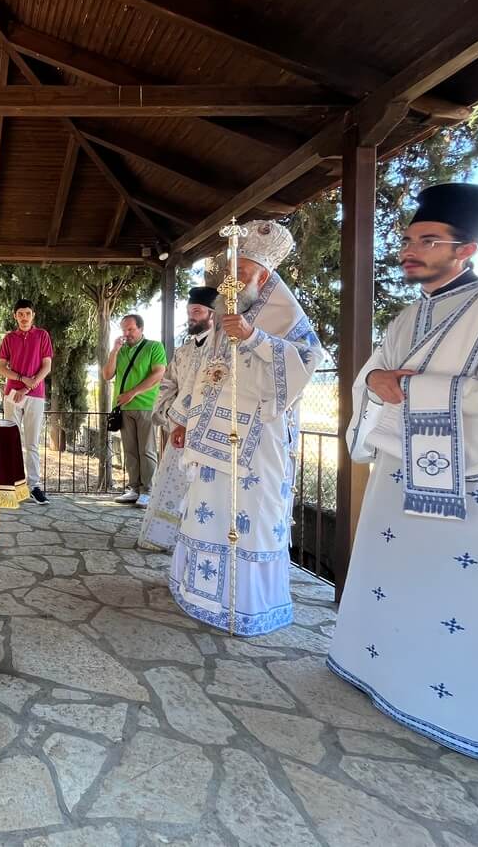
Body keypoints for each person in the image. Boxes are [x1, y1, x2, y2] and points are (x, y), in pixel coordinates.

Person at [329, 182, 478, 762]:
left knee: (469, 600)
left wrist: (409, 389)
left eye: (427, 241)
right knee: (403, 580)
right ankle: (386, 675)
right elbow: (374, 375)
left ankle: (471, 713)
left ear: (465, 250)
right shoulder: (407, 316)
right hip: (401, 479)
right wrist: (374, 382)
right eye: (408, 240)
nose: (409, 251)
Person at [168, 221, 324, 635]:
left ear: (263, 276)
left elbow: (309, 360)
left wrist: (255, 337)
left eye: (240, 272)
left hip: (257, 443)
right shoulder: (225, 314)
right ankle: (200, 595)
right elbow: (206, 372)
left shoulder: (286, 314)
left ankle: (245, 605)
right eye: (229, 272)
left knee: (250, 518)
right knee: (208, 513)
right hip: (210, 439)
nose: (231, 280)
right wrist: (182, 419)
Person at [137, 288, 217, 551]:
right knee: (171, 485)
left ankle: (193, 542)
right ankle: (164, 539)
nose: (191, 316)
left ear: (212, 314)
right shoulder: (183, 352)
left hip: (208, 435)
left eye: (197, 311)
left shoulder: (221, 351)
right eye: (189, 311)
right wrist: (171, 415)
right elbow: (168, 383)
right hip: (179, 430)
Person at [103, 314, 167, 507]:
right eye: (124, 329)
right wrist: (114, 351)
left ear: (141, 328)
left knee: (146, 450)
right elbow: (107, 375)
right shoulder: (121, 351)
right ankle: (134, 488)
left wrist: (132, 393)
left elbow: (159, 373)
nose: (126, 333)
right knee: (130, 450)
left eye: (130, 329)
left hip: (146, 405)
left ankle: (148, 490)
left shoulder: (154, 347)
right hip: (124, 407)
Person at [0, 299, 53, 505]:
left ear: (33, 315)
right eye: (20, 314)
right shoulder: (9, 338)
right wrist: (21, 380)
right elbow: (1, 368)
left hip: (35, 395)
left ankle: (34, 486)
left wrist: (27, 388)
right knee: (10, 440)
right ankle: (11, 485)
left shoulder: (42, 335)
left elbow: (46, 366)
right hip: (12, 395)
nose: (24, 317)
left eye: (27, 313)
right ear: (15, 316)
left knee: (32, 443)